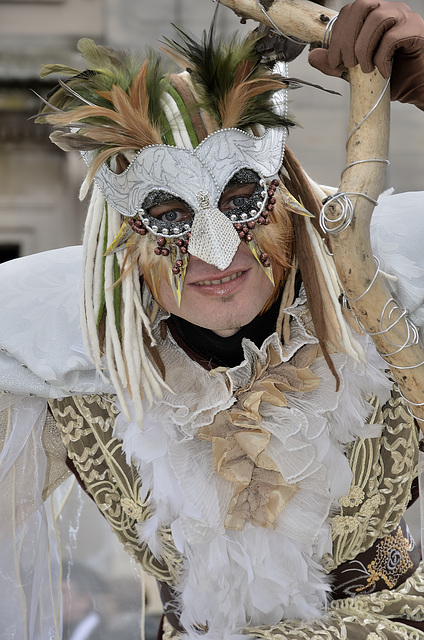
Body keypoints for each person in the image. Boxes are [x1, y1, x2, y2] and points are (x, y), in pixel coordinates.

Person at [0, 0, 424, 638]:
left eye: (240, 199)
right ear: (124, 242)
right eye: (168, 216)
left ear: (286, 199)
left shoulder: (389, 311)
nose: (214, 249)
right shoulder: (74, 382)